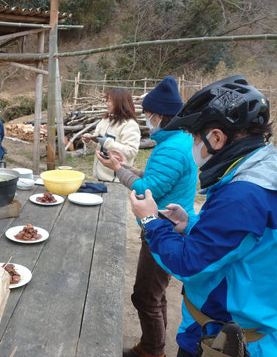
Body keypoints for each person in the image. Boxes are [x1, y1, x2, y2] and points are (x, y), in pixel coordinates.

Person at [129, 75, 277, 357]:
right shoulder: (268, 174)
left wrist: (152, 221)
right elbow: (244, 243)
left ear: (216, 137)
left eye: (194, 136)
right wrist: (192, 225)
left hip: (221, 340)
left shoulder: (242, 197)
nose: (192, 144)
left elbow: (189, 265)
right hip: (246, 327)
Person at [96, 76, 198, 357]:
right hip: (166, 224)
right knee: (155, 293)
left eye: (148, 114)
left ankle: (152, 351)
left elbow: (148, 189)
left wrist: (119, 171)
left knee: (145, 296)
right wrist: (125, 166)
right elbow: (155, 177)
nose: (146, 118)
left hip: (163, 226)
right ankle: (153, 346)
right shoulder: (176, 140)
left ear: (160, 114)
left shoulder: (173, 148)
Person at [81, 87, 141, 182]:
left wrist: (107, 142)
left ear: (120, 103)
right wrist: (90, 141)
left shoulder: (130, 125)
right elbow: (99, 145)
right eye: (107, 100)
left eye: (110, 101)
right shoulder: (104, 121)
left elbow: (131, 151)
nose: (107, 103)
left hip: (117, 179)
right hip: (100, 177)